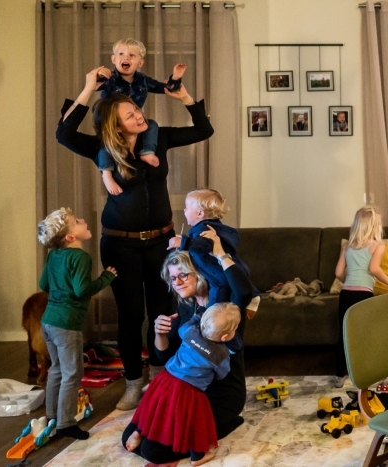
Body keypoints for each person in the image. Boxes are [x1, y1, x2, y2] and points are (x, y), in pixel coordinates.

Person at [56, 66, 214, 411]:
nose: (139, 115)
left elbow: (205, 129)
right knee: (130, 314)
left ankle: (161, 374)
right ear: (116, 124)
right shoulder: (101, 147)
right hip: (120, 242)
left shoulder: (158, 138)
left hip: (161, 241)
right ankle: (133, 382)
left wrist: (184, 96)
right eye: (130, 114)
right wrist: (87, 89)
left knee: (164, 311)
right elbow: (64, 133)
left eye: (137, 109)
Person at [121, 238, 252, 464]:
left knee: (152, 451)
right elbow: (167, 358)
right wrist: (159, 334)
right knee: (130, 434)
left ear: (198, 272)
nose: (177, 282)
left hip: (220, 393)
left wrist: (220, 253)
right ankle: (205, 431)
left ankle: (224, 424)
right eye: (173, 278)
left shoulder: (225, 308)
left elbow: (244, 291)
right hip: (185, 390)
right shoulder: (185, 307)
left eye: (183, 275)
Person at [125, 302, 241, 466]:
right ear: (225, 337)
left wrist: (195, 318)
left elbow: (182, 328)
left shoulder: (190, 332)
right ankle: (197, 456)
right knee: (193, 422)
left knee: (155, 408)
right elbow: (222, 374)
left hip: (166, 379)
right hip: (188, 390)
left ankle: (139, 432)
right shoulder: (221, 354)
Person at [37, 208, 117, 440]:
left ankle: (52, 416)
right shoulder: (81, 257)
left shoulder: (53, 255)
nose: (83, 221)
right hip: (67, 325)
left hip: (49, 321)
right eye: (77, 221)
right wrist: (106, 278)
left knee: (57, 370)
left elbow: (44, 284)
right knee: (73, 373)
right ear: (71, 237)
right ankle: (65, 423)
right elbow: (82, 290)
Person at [96, 38, 188, 196]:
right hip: (110, 120)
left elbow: (167, 88)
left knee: (152, 124)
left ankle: (146, 151)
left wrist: (175, 77)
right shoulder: (109, 78)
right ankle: (107, 173)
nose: (126, 58)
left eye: (132, 55)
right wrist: (98, 74)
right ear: (113, 59)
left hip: (134, 121)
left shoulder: (143, 81)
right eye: (121, 54)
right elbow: (94, 84)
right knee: (106, 143)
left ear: (140, 63)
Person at [333, 206, 388, 388]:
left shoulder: (348, 247)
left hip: (346, 294)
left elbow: (338, 272)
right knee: (371, 333)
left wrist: (347, 281)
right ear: (375, 226)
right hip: (363, 294)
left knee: (345, 334)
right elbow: (374, 269)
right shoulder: (377, 246)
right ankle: (380, 371)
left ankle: (339, 375)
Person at [168, 189, 261, 317]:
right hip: (232, 269)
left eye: (186, 208)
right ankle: (254, 294)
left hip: (218, 277)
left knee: (215, 306)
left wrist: (184, 242)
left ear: (200, 213)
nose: (184, 210)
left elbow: (205, 245)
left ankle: (210, 318)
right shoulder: (217, 228)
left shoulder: (203, 229)